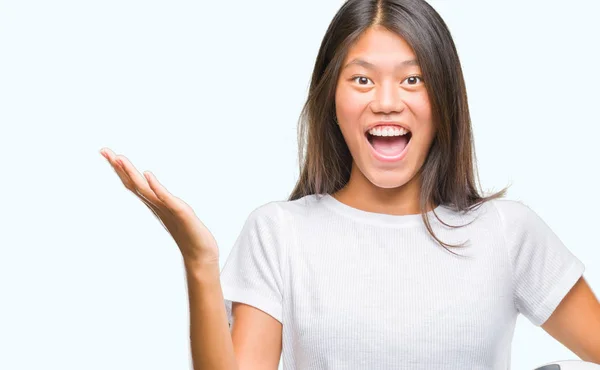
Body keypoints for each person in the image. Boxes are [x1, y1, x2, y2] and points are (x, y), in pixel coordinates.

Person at [100, 0, 599, 369]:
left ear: (445, 99)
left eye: (413, 79)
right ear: (331, 101)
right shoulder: (279, 233)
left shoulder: (508, 233)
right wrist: (199, 262)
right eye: (362, 80)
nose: (386, 101)